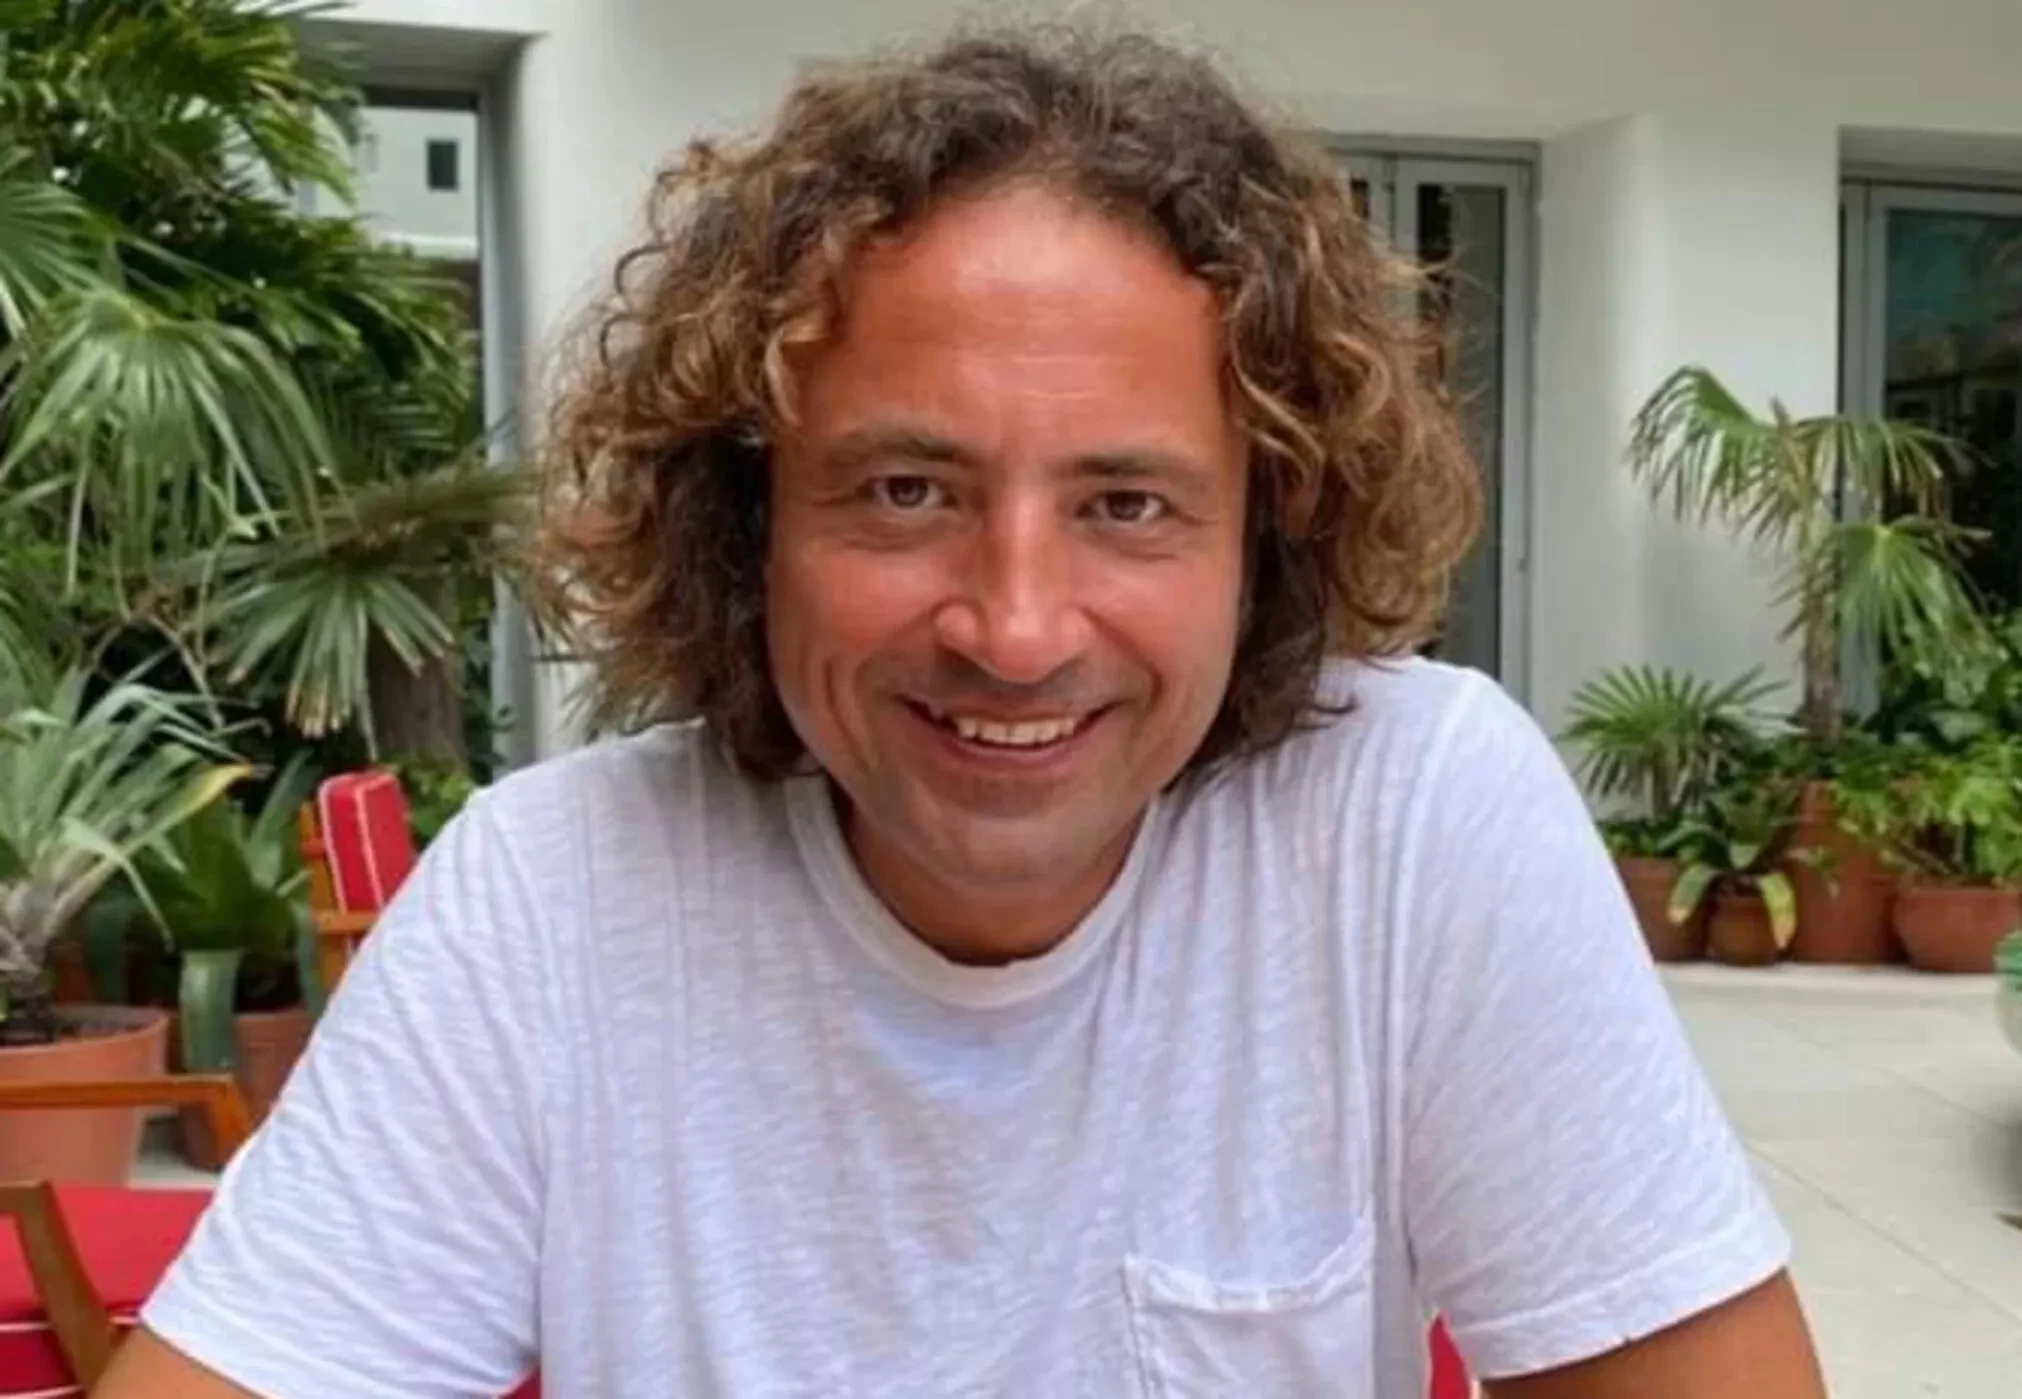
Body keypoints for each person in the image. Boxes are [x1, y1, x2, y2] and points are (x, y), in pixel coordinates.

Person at [99, 24, 1826, 1399]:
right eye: (905, 490)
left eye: (1126, 504)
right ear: (747, 521)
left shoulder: (1410, 817)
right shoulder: (554, 896)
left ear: (1266, 540)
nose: (1013, 628)